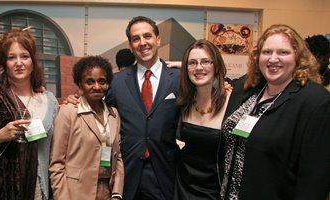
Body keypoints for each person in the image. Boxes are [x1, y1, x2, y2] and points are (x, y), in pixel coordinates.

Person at [66, 16, 180, 199]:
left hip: (164, 174)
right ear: (130, 45)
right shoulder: (117, 82)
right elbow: (95, 104)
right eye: (136, 39)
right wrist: (75, 99)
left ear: (158, 39)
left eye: (147, 36)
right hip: (127, 175)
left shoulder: (178, 79)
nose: (142, 43)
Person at [220, 24, 330, 199]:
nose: (273, 59)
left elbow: (314, 179)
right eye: (267, 52)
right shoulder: (246, 87)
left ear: (298, 57)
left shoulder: (315, 101)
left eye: (283, 52)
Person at [0, 29, 58, 200]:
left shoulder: (49, 100)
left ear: (33, 60)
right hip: (3, 188)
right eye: (12, 57)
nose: (19, 63)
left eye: (24, 56)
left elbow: (56, 151)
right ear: (4, 63)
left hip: (39, 188)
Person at [50, 55, 124, 200]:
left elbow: (118, 156)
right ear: (80, 84)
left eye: (101, 81)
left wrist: (116, 192)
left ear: (108, 83)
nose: (96, 86)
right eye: (90, 81)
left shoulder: (113, 114)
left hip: (107, 191)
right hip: (76, 193)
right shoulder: (68, 112)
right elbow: (57, 164)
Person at [174, 39, 230, 200]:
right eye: (192, 63)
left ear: (216, 65)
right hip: (183, 187)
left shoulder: (233, 102)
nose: (199, 67)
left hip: (216, 190)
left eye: (205, 61)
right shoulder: (183, 102)